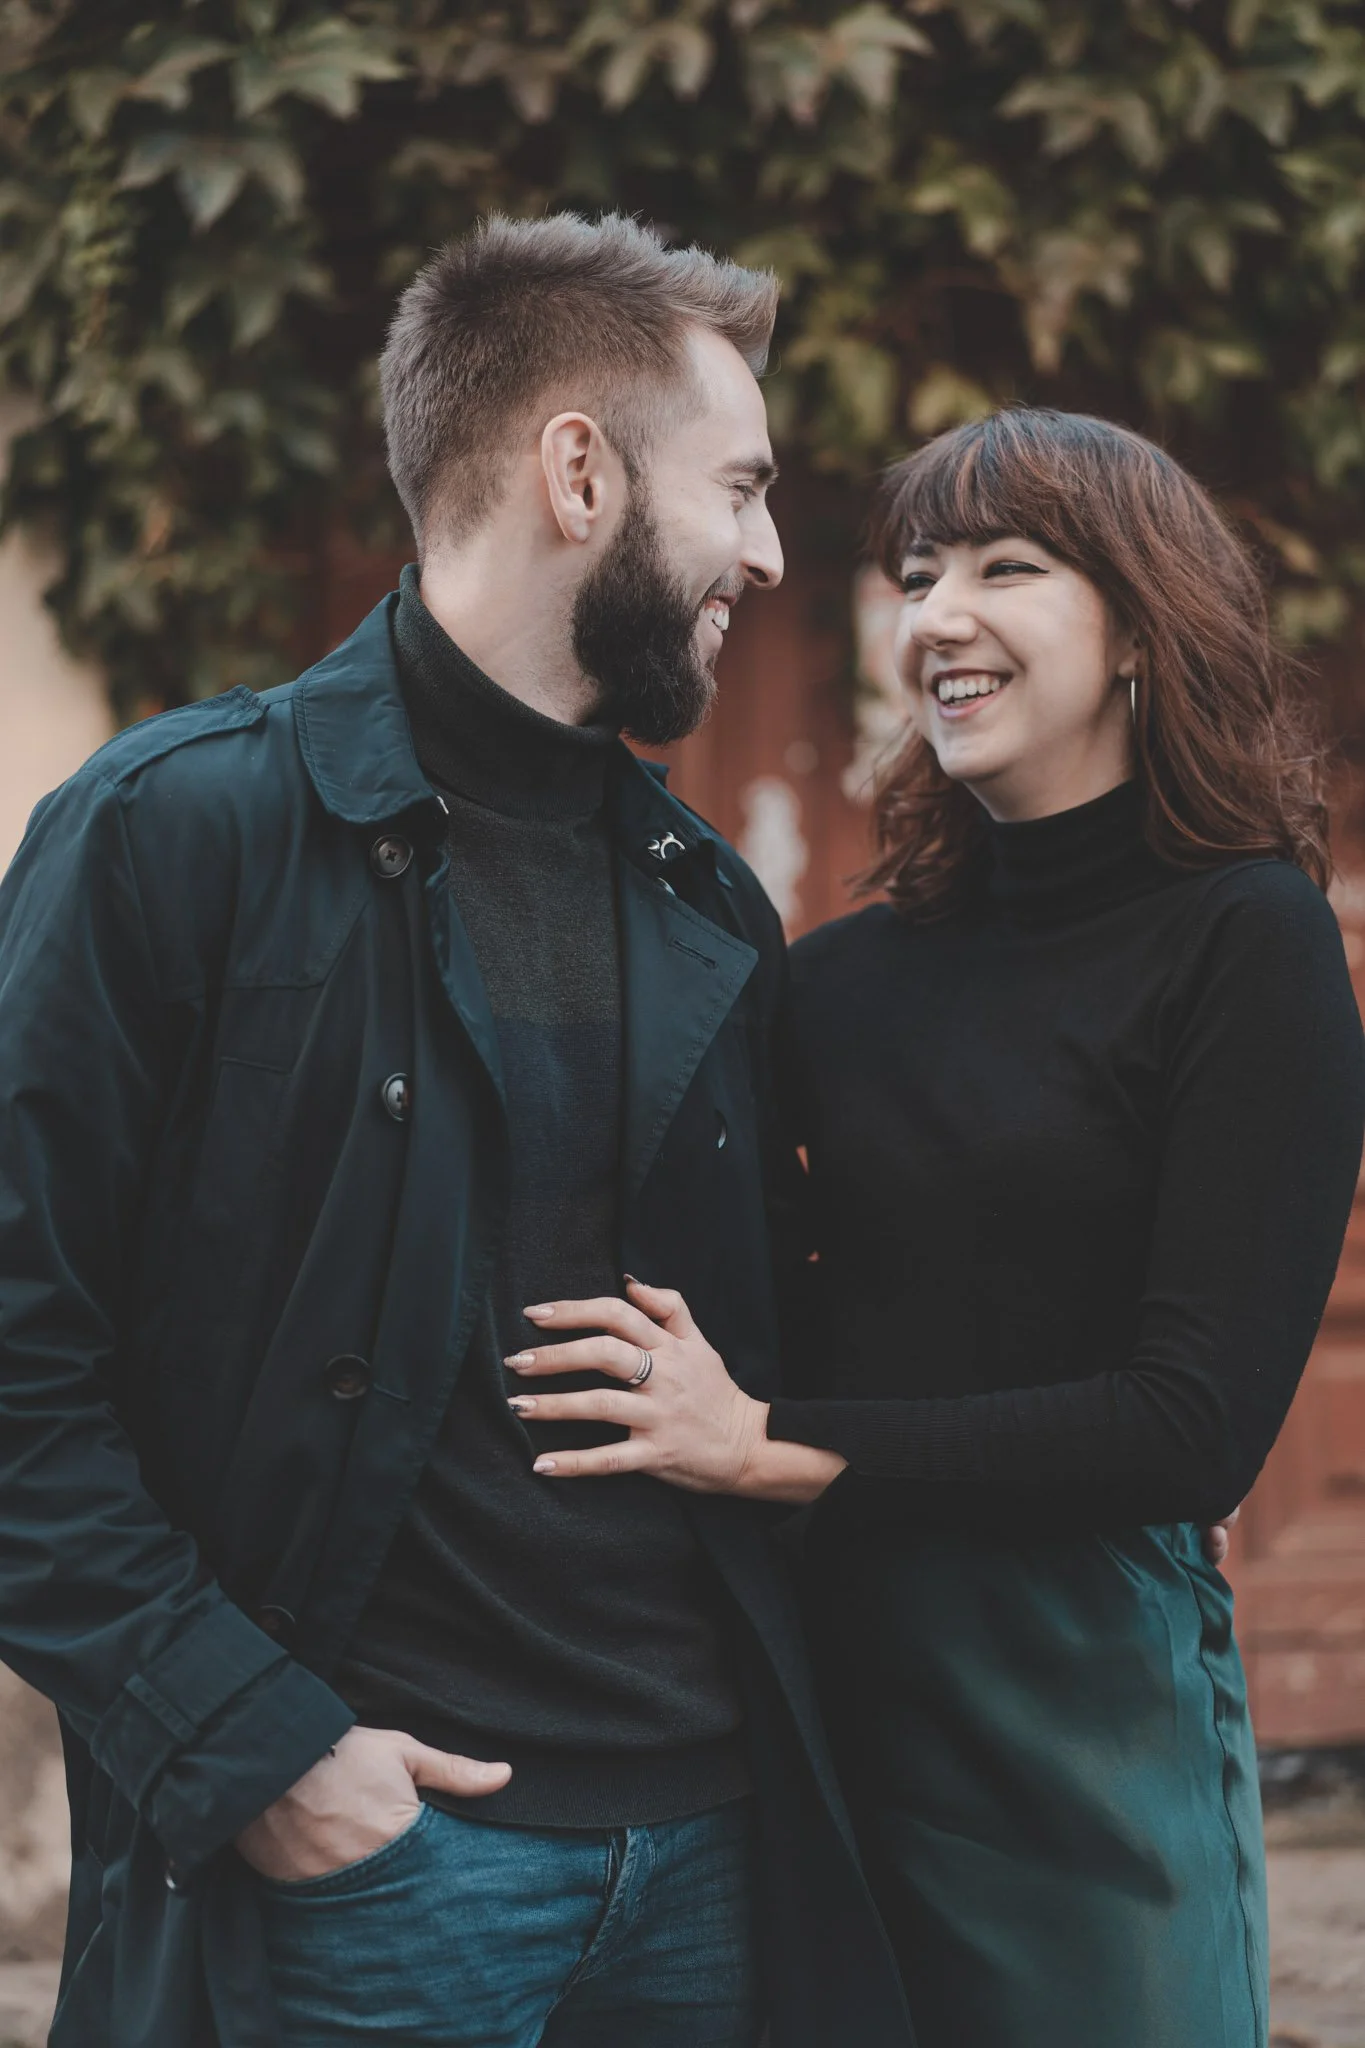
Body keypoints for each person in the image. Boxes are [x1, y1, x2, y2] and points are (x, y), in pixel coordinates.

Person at [0, 214, 913, 2048]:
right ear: (579, 470)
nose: (769, 549)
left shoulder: (710, 901)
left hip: (715, 1855)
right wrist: (261, 1751)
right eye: (738, 486)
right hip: (373, 1875)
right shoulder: (176, 836)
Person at [503, 408, 1365, 2048]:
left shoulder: (1248, 939)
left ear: (1139, 627)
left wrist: (763, 1447)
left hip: (1077, 1696)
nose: (937, 614)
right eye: (916, 572)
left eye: (1007, 567)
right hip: (814, 1681)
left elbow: (1189, 1430)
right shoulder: (832, 981)